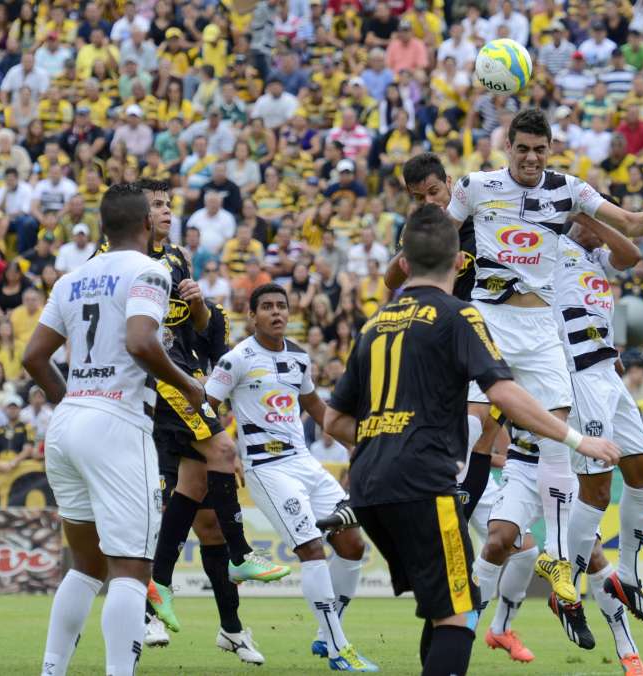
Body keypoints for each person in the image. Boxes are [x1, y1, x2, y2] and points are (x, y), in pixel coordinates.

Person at [323, 204, 620, 676]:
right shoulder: (460, 315)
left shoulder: (372, 326)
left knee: (441, 606)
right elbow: (504, 391)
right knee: (461, 613)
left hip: (368, 487)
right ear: (462, 262)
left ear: (402, 264)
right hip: (423, 484)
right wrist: (577, 441)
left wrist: (383, 440)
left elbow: (334, 421)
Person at [446, 108, 643, 604]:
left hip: (541, 329)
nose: (531, 157)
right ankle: (439, 509)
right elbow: (441, 237)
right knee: (475, 424)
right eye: (523, 148)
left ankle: (555, 557)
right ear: (507, 147)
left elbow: (628, 224)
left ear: (549, 150)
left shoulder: (569, 189)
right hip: (489, 319)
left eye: (540, 149)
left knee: (556, 441)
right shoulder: (475, 187)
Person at [23, 183, 201, 676]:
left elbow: (34, 357)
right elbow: (142, 341)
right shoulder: (149, 271)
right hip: (118, 423)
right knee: (130, 570)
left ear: (103, 226)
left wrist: (77, 402)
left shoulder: (72, 278)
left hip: (68, 421)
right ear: (147, 223)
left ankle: (52, 670)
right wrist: (189, 385)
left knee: (85, 566)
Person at [383, 153, 537, 662]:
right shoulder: (427, 235)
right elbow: (391, 281)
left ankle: (496, 621)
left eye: (435, 192)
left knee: (517, 543)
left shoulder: (486, 212)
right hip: (451, 345)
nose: (431, 202)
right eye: (420, 197)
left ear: (452, 184)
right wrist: (413, 248)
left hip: (492, 336)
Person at [133, 180, 289, 637]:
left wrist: (199, 307)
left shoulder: (178, 257)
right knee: (222, 452)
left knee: (197, 479)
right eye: (156, 205)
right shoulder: (127, 260)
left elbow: (203, 331)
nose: (166, 211)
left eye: (168, 204)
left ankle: (158, 583)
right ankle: (241, 558)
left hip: (183, 371)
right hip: (164, 378)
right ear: (137, 215)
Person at [205, 284, 377, 672]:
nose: (276, 312)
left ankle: (324, 633)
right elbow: (204, 405)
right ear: (252, 316)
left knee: (352, 544)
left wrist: (361, 443)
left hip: (305, 464)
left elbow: (317, 407)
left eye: (281, 306)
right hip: (267, 469)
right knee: (312, 549)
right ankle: (338, 649)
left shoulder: (299, 358)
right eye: (266, 307)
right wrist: (222, 447)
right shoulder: (236, 360)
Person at [549, 212, 643, 676]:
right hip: (578, 375)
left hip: (608, 374)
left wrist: (599, 217)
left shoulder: (596, 256)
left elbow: (631, 254)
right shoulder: (554, 248)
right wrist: (581, 214)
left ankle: (629, 572)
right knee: (596, 489)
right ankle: (565, 590)